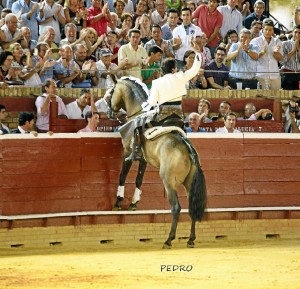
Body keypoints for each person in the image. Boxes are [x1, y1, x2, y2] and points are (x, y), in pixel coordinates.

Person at [126, 40, 202, 161]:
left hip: (162, 117)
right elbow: (195, 69)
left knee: (138, 125)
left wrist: (141, 109)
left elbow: (151, 103)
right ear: (173, 69)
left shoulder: (157, 82)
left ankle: (136, 151)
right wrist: (197, 52)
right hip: (178, 116)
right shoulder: (180, 76)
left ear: (163, 70)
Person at [250, 19, 283, 90]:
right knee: (262, 100)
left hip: (275, 76)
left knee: (276, 99)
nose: (268, 32)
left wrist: (276, 53)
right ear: (262, 29)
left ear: (273, 30)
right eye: (266, 29)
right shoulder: (255, 41)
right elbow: (254, 57)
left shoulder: (277, 41)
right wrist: (262, 52)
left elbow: (280, 58)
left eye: (270, 30)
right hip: (261, 76)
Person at [280, 25, 300, 90]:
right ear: (292, 33)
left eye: (299, 33)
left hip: (299, 73)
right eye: (295, 32)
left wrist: (297, 49)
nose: (297, 34)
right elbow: (282, 61)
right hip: (288, 74)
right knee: (288, 98)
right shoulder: (285, 43)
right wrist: (293, 50)